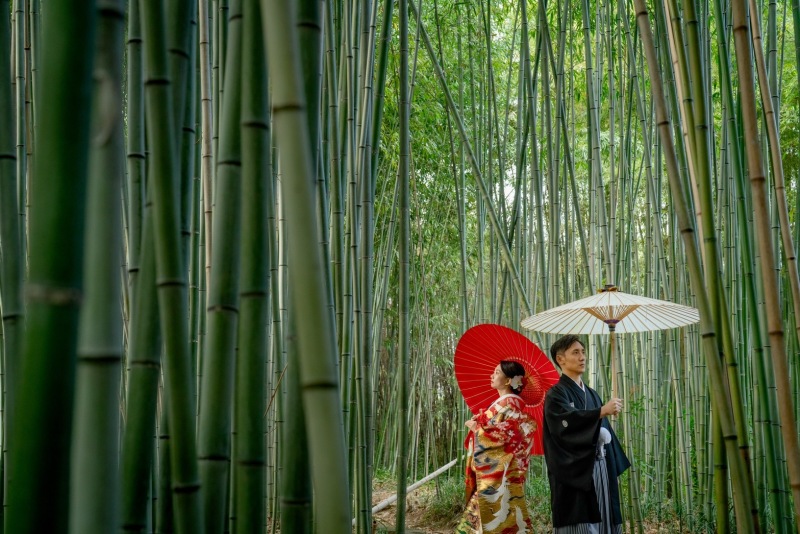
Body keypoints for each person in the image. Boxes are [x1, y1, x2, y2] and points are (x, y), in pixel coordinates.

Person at [543, 335, 630, 534]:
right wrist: (601, 411)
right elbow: (564, 426)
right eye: (575, 352)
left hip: (600, 465)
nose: (582, 357)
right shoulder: (556, 394)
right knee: (581, 520)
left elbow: (603, 431)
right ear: (560, 359)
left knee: (604, 513)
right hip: (575, 472)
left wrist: (611, 462)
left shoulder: (592, 394)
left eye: (583, 352)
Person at [456, 360, 536, 534]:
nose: (492, 376)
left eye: (497, 372)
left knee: (496, 515)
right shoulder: (503, 404)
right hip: (497, 472)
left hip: (499, 474)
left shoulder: (509, 405)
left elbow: (505, 437)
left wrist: (477, 429)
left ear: (508, 381)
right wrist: (481, 424)